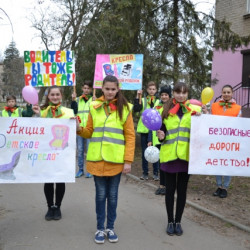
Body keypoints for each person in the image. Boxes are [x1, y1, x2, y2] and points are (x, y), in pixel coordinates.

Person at [76, 75, 135, 244]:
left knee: (113, 195)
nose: (110, 92)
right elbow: (89, 131)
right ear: (102, 88)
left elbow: (130, 136)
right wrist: (79, 129)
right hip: (97, 160)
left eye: (113, 89)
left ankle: (111, 227)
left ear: (118, 89)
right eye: (107, 89)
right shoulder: (94, 106)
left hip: (116, 161)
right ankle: (100, 229)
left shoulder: (126, 108)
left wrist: (128, 161)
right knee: (101, 195)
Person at [157, 82, 204, 236]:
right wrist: (161, 136)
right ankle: (170, 221)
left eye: (184, 92)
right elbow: (161, 132)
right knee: (170, 191)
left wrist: (204, 116)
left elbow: (203, 130)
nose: (181, 95)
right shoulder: (165, 109)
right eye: (178, 92)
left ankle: (178, 222)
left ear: (187, 94)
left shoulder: (196, 110)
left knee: (182, 191)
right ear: (174, 93)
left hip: (186, 157)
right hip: (169, 157)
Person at [32, 86, 74, 221]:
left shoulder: (68, 112)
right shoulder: (43, 111)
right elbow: (36, 127)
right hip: (47, 152)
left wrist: (74, 123)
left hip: (63, 152)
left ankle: (58, 207)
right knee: (49, 180)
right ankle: (50, 207)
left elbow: (73, 132)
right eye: (52, 95)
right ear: (48, 96)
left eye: (57, 94)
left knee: (61, 179)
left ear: (61, 95)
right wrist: (37, 114)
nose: (55, 97)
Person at [211, 84, 241, 198]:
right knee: (218, 163)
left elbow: (239, 125)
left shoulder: (237, 108)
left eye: (229, 92)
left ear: (232, 93)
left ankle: (225, 188)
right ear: (221, 93)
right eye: (224, 92)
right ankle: (219, 186)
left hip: (230, 142)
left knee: (228, 164)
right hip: (217, 141)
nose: (226, 94)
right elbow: (209, 121)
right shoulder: (214, 106)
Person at [148, 86, 172, 195]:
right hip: (158, 139)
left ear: (169, 96)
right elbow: (150, 123)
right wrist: (150, 139)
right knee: (161, 163)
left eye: (166, 95)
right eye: (162, 95)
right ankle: (162, 185)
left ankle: (168, 185)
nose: (164, 97)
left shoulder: (173, 107)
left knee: (167, 163)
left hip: (169, 140)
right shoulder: (156, 107)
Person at [134, 81, 159, 180]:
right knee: (145, 152)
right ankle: (145, 173)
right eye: (150, 89)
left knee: (155, 151)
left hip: (155, 130)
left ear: (156, 90)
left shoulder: (158, 101)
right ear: (147, 90)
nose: (152, 91)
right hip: (144, 129)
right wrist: (137, 96)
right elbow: (136, 109)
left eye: (153, 89)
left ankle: (156, 172)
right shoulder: (142, 100)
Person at [71, 80, 93, 178]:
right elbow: (73, 111)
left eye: (88, 88)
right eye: (84, 88)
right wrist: (73, 101)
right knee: (80, 150)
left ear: (91, 89)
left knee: (89, 150)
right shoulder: (77, 99)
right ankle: (80, 169)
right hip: (79, 129)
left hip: (88, 129)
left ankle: (89, 170)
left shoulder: (93, 100)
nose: (86, 90)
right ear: (82, 89)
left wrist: (95, 102)